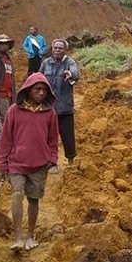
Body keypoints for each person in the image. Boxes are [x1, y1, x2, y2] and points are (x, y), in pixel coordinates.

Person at [0, 72, 58, 252]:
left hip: (39, 165)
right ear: (28, 90)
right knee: (16, 194)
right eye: (37, 89)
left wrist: (52, 159)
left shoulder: (49, 113)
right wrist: (1, 164)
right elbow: (5, 140)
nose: (41, 93)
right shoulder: (14, 111)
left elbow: (53, 139)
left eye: (44, 90)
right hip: (16, 163)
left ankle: (30, 236)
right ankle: (17, 237)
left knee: (33, 199)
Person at [40, 39, 80, 170]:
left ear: (65, 50)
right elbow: (39, 78)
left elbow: (76, 73)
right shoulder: (46, 63)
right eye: (55, 48)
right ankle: (51, 163)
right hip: (48, 107)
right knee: (49, 137)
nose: (57, 50)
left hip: (65, 108)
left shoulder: (70, 62)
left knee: (67, 136)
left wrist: (70, 74)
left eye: (60, 48)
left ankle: (70, 161)